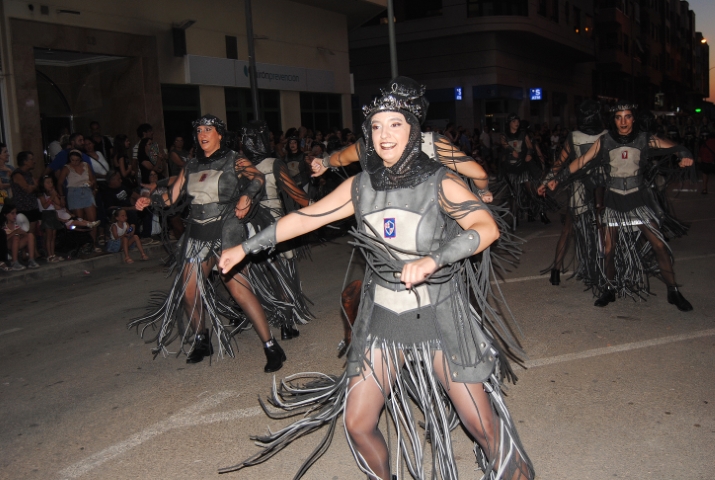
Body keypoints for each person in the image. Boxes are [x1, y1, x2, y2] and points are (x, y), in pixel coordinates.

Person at [218, 77, 533, 480]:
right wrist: (245, 248)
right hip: (383, 315)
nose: (384, 135)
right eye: (377, 126)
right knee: (358, 423)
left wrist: (434, 259)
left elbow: (486, 228)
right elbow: (304, 218)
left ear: (413, 129)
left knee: (482, 426)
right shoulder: (361, 185)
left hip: (438, 315)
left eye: (395, 124)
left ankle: (516, 471)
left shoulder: (440, 181)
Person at [128, 114, 286, 370]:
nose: (202, 134)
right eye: (199, 130)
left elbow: (258, 178)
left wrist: (246, 196)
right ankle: (202, 339)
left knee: (238, 288)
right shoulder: (190, 165)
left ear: (219, 134)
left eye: (208, 130)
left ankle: (271, 346)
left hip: (227, 229)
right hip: (198, 231)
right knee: (188, 288)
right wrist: (150, 200)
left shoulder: (234, 159)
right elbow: (171, 198)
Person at [548, 102, 694, 311]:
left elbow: (674, 147)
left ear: (633, 119)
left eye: (627, 117)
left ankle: (673, 291)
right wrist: (558, 178)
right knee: (609, 249)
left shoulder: (644, 138)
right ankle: (609, 289)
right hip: (614, 200)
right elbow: (581, 161)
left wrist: (685, 155)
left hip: (637, 200)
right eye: (618, 117)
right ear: (614, 120)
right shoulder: (605, 140)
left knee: (660, 245)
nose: (623, 122)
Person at [538, 99, 607, 287]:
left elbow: (559, 164)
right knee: (599, 229)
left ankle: (556, 271)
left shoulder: (576, 136)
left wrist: (544, 183)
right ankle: (597, 271)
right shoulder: (605, 135)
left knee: (570, 230)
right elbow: (560, 165)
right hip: (597, 188)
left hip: (586, 189)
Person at [499, 114, 553, 228]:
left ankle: (541, 213)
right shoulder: (504, 135)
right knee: (514, 194)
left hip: (524, 166)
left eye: (517, 121)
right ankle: (515, 218)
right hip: (511, 168)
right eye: (514, 121)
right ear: (509, 123)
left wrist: (529, 154)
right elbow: (504, 145)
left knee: (533, 191)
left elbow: (531, 147)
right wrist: (511, 150)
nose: (516, 123)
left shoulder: (523, 134)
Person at [57, 150, 100, 251]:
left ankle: (93, 244)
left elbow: (93, 179)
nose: (75, 162)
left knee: (92, 220)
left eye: (77, 160)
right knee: (79, 220)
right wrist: (62, 197)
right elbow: (59, 183)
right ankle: (82, 244)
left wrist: (92, 185)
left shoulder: (86, 165)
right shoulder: (67, 168)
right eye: (73, 160)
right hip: (74, 193)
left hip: (86, 191)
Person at [2, 202, 40, 270]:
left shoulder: (17, 224)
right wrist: (14, 232)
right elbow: (3, 240)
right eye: (12, 213)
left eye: (15, 213)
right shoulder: (3, 226)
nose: (15, 215)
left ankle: (31, 260)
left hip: (18, 244)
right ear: (6, 215)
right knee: (15, 237)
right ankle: (14, 262)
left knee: (30, 235)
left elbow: (26, 236)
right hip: (7, 245)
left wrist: (23, 233)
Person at [11, 151, 42, 231]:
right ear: (25, 161)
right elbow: (28, 189)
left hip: (32, 207)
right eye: (31, 159)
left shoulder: (29, 174)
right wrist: (34, 186)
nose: (34, 162)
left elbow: (36, 187)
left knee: (33, 231)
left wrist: (34, 186)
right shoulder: (17, 174)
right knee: (25, 232)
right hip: (23, 208)